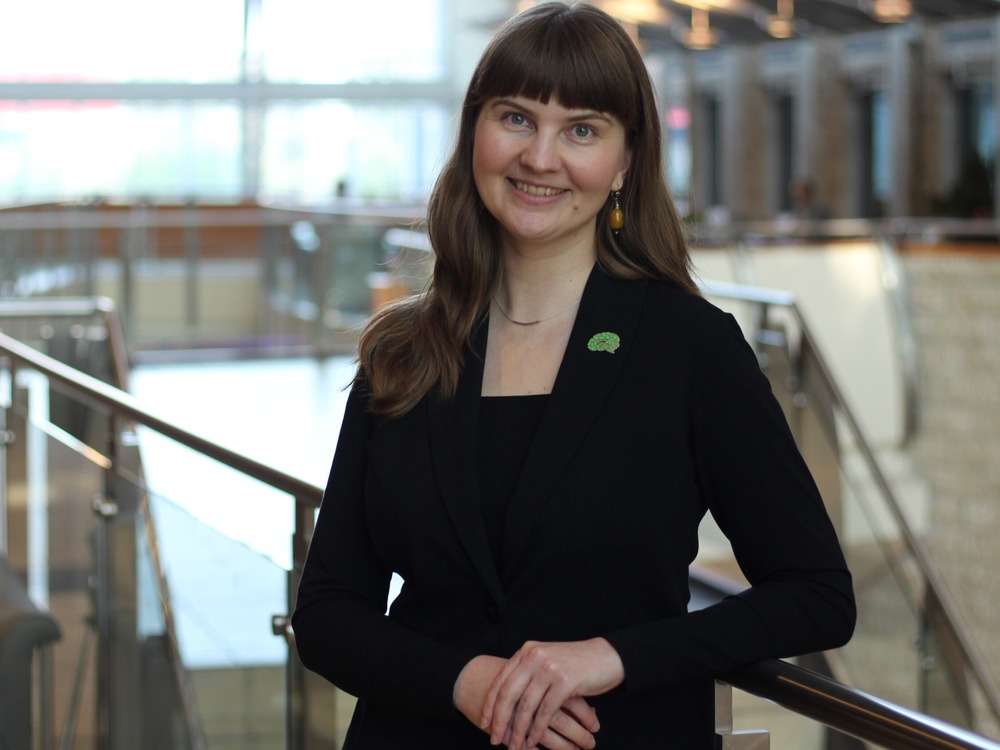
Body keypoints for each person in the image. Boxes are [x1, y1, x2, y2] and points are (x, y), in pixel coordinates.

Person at [292, 3, 856, 749]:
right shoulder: (406, 350)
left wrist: (612, 657)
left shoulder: (690, 348)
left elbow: (815, 595)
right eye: (516, 118)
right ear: (475, 133)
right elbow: (329, 612)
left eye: (581, 130)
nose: (540, 157)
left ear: (625, 161)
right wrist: (469, 682)